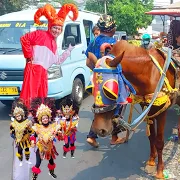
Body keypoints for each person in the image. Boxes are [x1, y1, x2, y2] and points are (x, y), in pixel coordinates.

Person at [19, 3, 78, 108]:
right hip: (33, 69)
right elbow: (24, 39)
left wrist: (68, 50)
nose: (57, 31)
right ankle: (27, 118)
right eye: (55, 27)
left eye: (59, 29)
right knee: (30, 96)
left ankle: (38, 118)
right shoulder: (40, 34)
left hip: (43, 72)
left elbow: (58, 61)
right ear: (50, 27)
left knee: (41, 97)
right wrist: (29, 56)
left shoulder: (54, 44)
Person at [85, 14, 117, 147]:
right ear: (112, 29)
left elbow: (88, 62)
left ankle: (92, 137)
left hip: (96, 82)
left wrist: (97, 71)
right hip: (111, 83)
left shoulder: (93, 41)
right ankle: (114, 137)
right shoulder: (113, 42)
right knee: (117, 107)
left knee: (99, 107)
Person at [30, 98, 62, 180]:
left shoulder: (53, 127)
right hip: (40, 148)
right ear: (40, 120)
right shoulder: (38, 127)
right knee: (38, 163)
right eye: (43, 118)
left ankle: (51, 172)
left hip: (50, 149)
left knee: (51, 162)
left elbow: (59, 135)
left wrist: (59, 133)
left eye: (46, 118)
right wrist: (33, 141)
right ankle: (34, 177)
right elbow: (33, 135)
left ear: (49, 118)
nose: (45, 120)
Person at [9, 99, 33, 166]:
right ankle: (20, 161)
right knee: (19, 150)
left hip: (26, 139)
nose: (18, 117)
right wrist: (14, 135)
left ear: (22, 115)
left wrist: (29, 128)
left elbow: (30, 132)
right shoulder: (13, 124)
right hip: (19, 140)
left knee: (27, 150)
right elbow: (11, 132)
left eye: (19, 116)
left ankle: (27, 160)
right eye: (17, 116)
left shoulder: (26, 122)